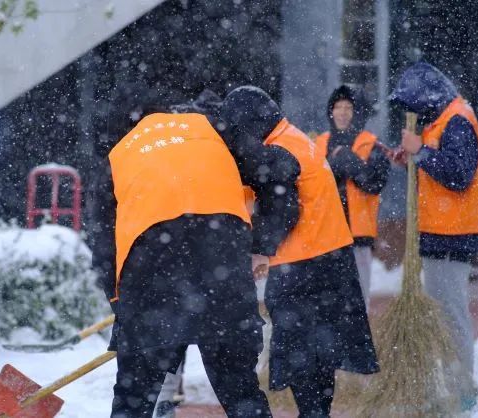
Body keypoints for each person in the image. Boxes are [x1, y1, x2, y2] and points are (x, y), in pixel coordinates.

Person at [91, 93, 300, 417]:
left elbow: (104, 247)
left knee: (133, 397)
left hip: (148, 277)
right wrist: (262, 245)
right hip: (222, 268)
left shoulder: (118, 156)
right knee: (240, 391)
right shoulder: (213, 129)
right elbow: (283, 170)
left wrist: (121, 305)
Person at [220, 86, 379, 418]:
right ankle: (317, 412)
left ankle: (313, 412)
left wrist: (260, 251)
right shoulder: (293, 137)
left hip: (302, 265)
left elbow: (283, 206)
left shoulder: (279, 149)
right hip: (333, 258)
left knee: (299, 354)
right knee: (323, 350)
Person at [390, 62, 478, 409]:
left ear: (428, 98)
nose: (412, 113)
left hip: (453, 234)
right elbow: (440, 163)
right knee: (443, 314)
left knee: (450, 315)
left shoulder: (457, 120)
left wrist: (421, 152)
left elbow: (459, 175)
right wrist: (415, 157)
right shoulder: (442, 120)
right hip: (439, 232)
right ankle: (451, 386)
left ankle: (461, 392)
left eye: (414, 105)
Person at [314, 86, 390, 309]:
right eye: (338, 107)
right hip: (324, 236)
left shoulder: (372, 144)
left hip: (357, 237)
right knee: (326, 300)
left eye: (349, 107)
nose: (343, 112)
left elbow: (374, 183)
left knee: (358, 300)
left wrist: (350, 162)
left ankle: (357, 342)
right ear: (331, 111)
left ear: (358, 113)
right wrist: (331, 166)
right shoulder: (318, 143)